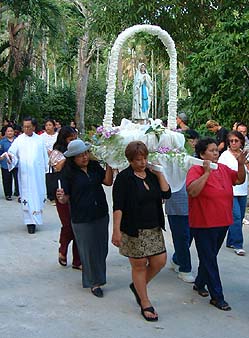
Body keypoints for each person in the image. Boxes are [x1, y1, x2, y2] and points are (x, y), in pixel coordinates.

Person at [112, 141, 171, 322]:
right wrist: (116, 231)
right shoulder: (124, 178)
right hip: (133, 228)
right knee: (139, 265)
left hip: (153, 227)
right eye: (138, 160)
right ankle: (144, 302)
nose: (143, 162)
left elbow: (166, 194)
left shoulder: (151, 175)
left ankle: (138, 286)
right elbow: (118, 206)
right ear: (130, 160)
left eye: (145, 158)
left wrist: (159, 173)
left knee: (160, 261)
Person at [186, 137, 246, 311]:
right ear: (202, 153)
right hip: (203, 223)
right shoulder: (196, 169)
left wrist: (240, 164)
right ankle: (217, 297)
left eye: (216, 150)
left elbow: (239, 180)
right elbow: (192, 191)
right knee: (210, 259)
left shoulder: (223, 169)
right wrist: (206, 173)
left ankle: (199, 283)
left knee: (210, 256)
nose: (215, 153)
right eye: (211, 150)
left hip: (222, 221)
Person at [56, 139, 113, 298]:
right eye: (80, 155)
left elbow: (108, 182)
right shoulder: (68, 173)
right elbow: (65, 198)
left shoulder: (94, 167)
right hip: (81, 217)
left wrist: (110, 164)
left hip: (100, 213)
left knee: (101, 249)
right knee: (88, 251)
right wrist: (61, 197)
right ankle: (94, 282)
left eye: (86, 153)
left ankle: (99, 276)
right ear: (73, 158)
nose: (85, 157)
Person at [7, 117, 48, 234]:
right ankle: (30, 222)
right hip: (25, 174)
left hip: (37, 174)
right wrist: (10, 158)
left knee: (37, 195)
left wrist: (47, 167)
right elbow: (12, 153)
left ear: (34, 127)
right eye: (24, 127)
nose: (26, 129)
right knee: (27, 196)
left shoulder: (39, 140)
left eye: (28, 127)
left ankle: (37, 219)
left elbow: (44, 155)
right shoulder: (19, 139)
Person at [218, 131, 249, 256]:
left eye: (236, 141)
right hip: (231, 191)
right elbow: (221, 172)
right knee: (236, 217)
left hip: (242, 191)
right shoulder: (225, 156)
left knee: (239, 218)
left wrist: (245, 162)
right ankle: (238, 244)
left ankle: (230, 241)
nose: (234, 143)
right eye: (231, 141)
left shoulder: (244, 155)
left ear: (241, 142)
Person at [49, 126, 81, 270]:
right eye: (70, 139)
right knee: (68, 224)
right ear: (64, 139)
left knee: (79, 226)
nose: (73, 141)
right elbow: (58, 167)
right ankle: (63, 248)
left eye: (75, 138)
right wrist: (71, 154)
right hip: (62, 192)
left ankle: (78, 260)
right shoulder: (56, 153)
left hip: (78, 192)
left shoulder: (79, 152)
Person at [165, 183, 195, 283]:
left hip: (194, 203)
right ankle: (185, 269)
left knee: (189, 236)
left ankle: (177, 259)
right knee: (181, 238)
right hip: (177, 203)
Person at [0, 126, 19, 201]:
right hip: (6, 164)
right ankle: (8, 194)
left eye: (11, 131)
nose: (10, 132)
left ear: (14, 132)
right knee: (7, 179)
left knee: (18, 179)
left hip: (16, 164)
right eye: (8, 131)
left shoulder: (17, 140)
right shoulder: (2, 142)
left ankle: (18, 192)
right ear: (5, 132)